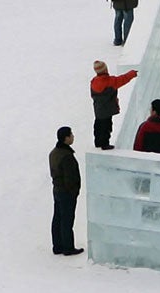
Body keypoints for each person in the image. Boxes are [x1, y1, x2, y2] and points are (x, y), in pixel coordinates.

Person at [49, 126, 83, 256]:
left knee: (57, 218)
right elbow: (70, 177)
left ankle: (57, 245)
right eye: (71, 134)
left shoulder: (54, 153)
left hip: (57, 190)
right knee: (67, 220)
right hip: (66, 193)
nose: (73, 136)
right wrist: (74, 191)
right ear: (66, 138)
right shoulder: (67, 156)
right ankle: (68, 247)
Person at [91, 60, 138, 150]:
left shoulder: (93, 82)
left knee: (98, 125)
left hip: (98, 109)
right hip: (108, 109)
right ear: (105, 70)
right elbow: (123, 79)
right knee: (107, 126)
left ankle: (98, 142)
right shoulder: (110, 81)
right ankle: (105, 144)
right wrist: (132, 73)